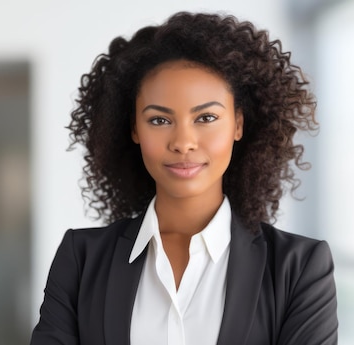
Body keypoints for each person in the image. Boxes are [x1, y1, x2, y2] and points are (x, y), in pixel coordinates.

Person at [31, 11, 338, 345]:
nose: (182, 143)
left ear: (238, 123)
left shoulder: (299, 269)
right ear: (134, 128)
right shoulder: (81, 259)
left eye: (206, 117)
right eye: (160, 121)